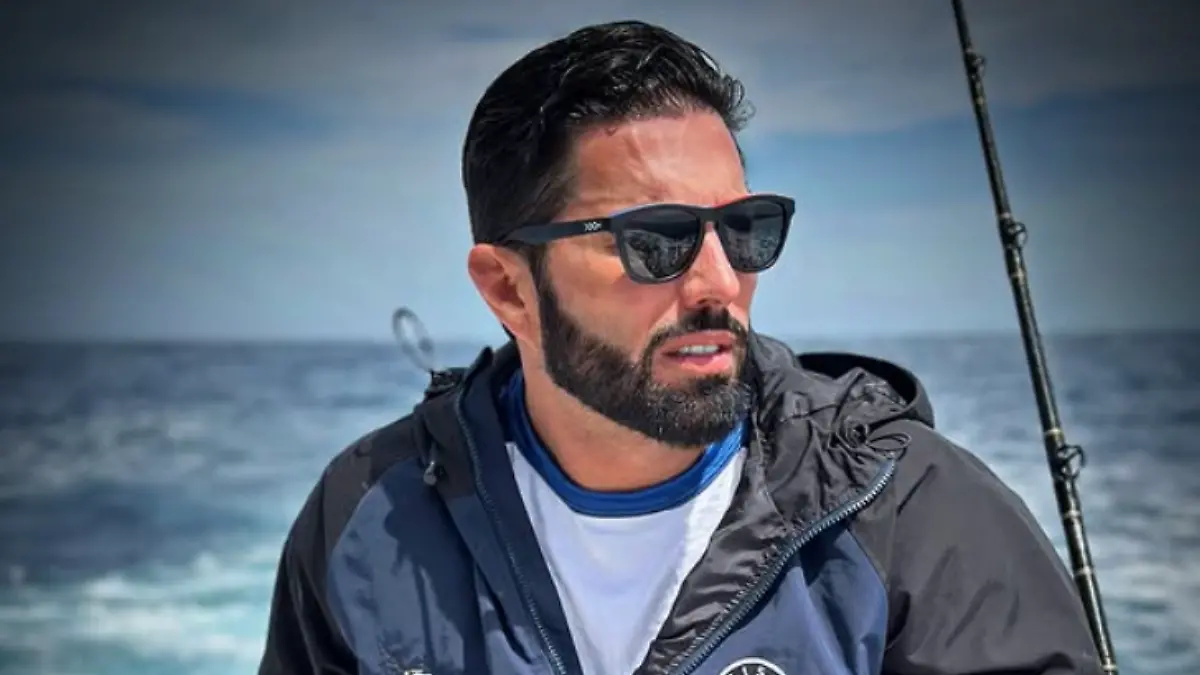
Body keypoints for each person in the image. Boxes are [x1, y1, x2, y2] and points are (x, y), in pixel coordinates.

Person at [257, 20, 1104, 675]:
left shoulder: (908, 508)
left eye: (744, 229)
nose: (718, 282)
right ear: (509, 288)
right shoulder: (366, 516)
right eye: (656, 240)